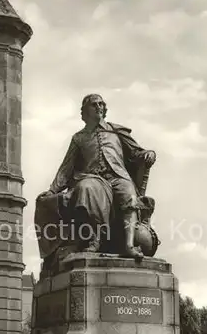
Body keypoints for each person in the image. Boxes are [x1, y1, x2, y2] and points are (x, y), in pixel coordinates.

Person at [36, 94, 156, 260]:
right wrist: (52, 190)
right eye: (94, 105)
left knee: (129, 195)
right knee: (86, 188)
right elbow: (66, 167)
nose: (99, 107)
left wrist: (148, 154)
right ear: (85, 111)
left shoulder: (116, 131)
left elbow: (136, 152)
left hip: (118, 176)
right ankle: (95, 238)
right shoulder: (79, 138)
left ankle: (129, 245)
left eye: (101, 104)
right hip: (93, 177)